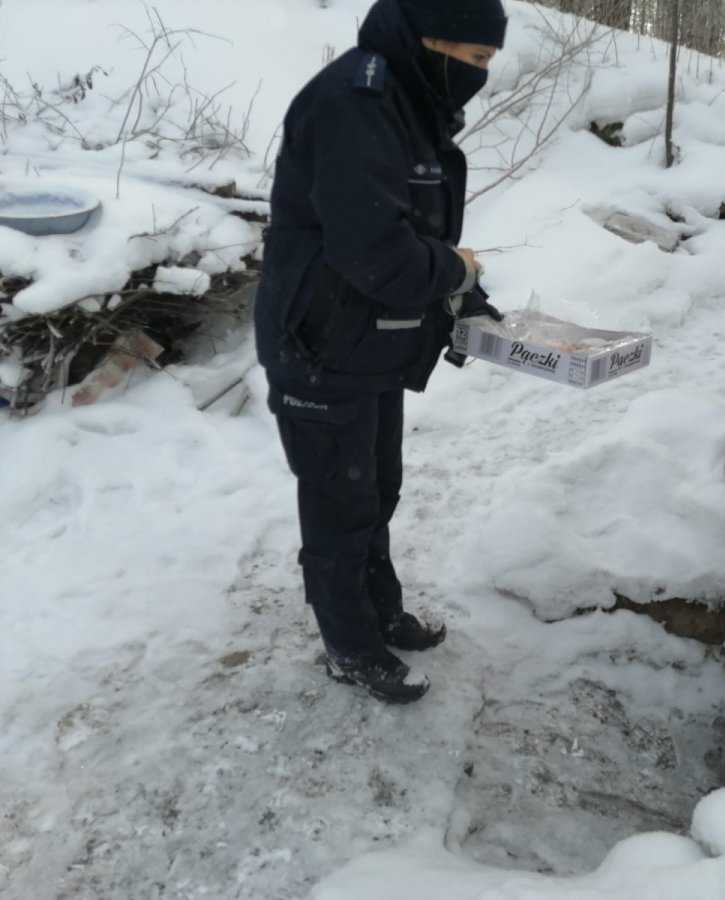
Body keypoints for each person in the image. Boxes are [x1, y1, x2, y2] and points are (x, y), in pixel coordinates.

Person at [255, 0, 508, 704]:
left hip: (368, 341)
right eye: (476, 59)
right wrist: (456, 271)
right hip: (319, 346)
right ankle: (350, 646)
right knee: (340, 504)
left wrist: (466, 300)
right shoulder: (355, 103)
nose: (480, 76)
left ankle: (379, 611)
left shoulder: (404, 97)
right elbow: (376, 252)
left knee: (375, 490)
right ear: (429, 40)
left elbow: (409, 228)